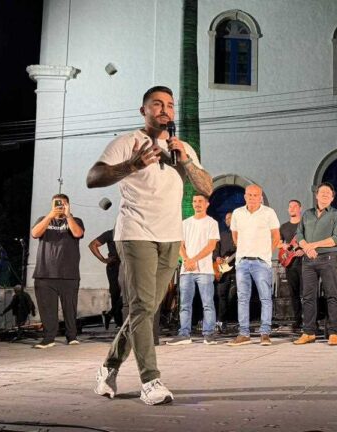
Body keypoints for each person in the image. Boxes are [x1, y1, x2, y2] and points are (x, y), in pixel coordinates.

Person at [87, 85, 213, 405]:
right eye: (156, 104)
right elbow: (94, 177)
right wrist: (133, 165)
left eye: (169, 105)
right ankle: (150, 381)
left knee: (147, 308)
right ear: (143, 110)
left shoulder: (180, 148)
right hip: (135, 233)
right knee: (142, 306)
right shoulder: (128, 142)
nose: (164, 110)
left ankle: (108, 367)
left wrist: (185, 161)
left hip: (171, 236)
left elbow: (207, 187)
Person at [227, 184, 281, 346]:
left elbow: (276, 236)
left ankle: (265, 333)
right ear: (245, 196)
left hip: (261, 261)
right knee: (242, 298)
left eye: (255, 195)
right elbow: (235, 236)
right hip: (242, 261)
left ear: (260, 197)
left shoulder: (268, 213)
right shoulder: (237, 213)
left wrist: (266, 254)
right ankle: (244, 334)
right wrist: (243, 250)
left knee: (265, 297)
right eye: (249, 195)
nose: (252, 198)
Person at [293, 182, 337, 346]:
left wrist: (313, 245)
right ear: (316, 195)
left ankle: (333, 332)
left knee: (332, 295)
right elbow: (299, 234)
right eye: (321, 192)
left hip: (327, 259)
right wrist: (306, 247)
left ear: (332, 196)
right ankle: (309, 332)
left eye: (328, 193)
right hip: (308, 260)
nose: (324, 195)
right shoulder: (307, 214)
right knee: (308, 296)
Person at [30, 194, 85, 349]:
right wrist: (50, 215)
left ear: (68, 204)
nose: (59, 206)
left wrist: (67, 216)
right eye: (56, 204)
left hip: (69, 274)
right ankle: (48, 338)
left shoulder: (76, 220)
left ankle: (72, 336)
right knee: (47, 309)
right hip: (44, 273)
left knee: (69, 307)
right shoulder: (44, 219)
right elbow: (35, 234)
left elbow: (77, 233)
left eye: (62, 204)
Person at [167, 194, 220, 346]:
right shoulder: (184, 223)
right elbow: (179, 245)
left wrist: (194, 260)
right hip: (187, 270)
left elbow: (211, 246)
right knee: (184, 304)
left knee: (207, 303)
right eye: (195, 201)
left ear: (207, 204)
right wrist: (186, 260)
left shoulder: (212, 223)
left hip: (204, 270)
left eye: (200, 201)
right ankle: (184, 334)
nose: (197, 204)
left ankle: (208, 334)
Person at [278, 200, 305, 332]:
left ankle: (311, 320)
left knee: (307, 293)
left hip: (305, 264)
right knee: (294, 294)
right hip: (289, 264)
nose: (292, 208)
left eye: (295, 206)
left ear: (300, 208)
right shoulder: (283, 227)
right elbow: (278, 242)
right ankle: (297, 320)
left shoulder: (305, 224)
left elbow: (311, 241)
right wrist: (282, 246)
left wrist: (304, 250)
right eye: (290, 206)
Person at [89, 229, 123, 329]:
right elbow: (92, 245)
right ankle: (118, 322)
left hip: (128, 265)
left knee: (129, 293)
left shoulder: (132, 231)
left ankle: (110, 314)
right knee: (115, 293)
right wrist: (103, 259)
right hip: (114, 266)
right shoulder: (110, 233)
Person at [214, 212, 236, 332]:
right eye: (227, 219)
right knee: (221, 295)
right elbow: (215, 249)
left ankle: (236, 321)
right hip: (223, 269)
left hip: (237, 268)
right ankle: (221, 321)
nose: (228, 220)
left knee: (236, 295)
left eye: (231, 218)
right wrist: (217, 257)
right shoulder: (221, 235)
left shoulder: (240, 235)